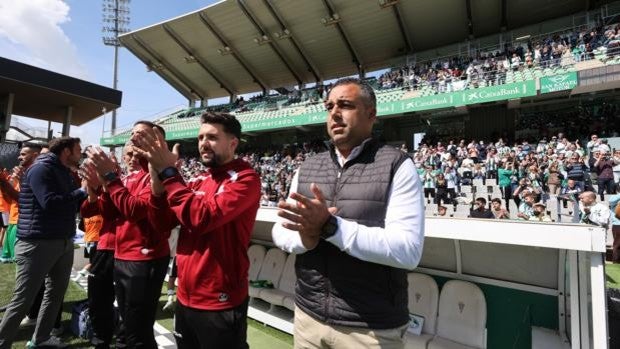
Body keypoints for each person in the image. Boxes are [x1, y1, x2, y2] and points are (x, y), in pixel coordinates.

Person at [272, 78, 424, 348]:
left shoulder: (398, 165)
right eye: (329, 106)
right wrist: (306, 238)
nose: (334, 113)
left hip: (369, 330)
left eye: (345, 105)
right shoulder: (307, 167)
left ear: (371, 114)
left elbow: (408, 251)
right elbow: (280, 230)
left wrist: (331, 227)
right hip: (308, 317)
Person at [131, 112, 261, 348]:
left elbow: (200, 218)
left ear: (233, 143)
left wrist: (169, 173)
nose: (203, 143)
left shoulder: (246, 178)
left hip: (220, 300)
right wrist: (157, 181)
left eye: (212, 137)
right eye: (200, 137)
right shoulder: (198, 180)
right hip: (186, 296)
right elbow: (161, 223)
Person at [87, 122, 172, 349]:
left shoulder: (159, 173)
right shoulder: (131, 177)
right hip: (123, 256)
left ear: (157, 142)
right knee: (129, 324)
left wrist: (110, 178)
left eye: (140, 134)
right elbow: (109, 213)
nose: (134, 138)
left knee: (138, 331)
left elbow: (134, 211)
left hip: (145, 258)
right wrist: (101, 186)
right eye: (132, 133)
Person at [0, 137, 86, 349]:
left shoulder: (64, 171)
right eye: (78, 150)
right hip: (38, 242)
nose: (81, 154)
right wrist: (81, 191)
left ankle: (41, 338)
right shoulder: (41, 169)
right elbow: (49, 202)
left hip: (62, 240)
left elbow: (69, 204)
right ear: (66, 151)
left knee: (55, 293)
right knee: (23, 299)